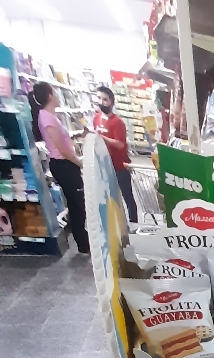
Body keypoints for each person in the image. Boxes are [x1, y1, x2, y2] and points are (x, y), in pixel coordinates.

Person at [28, 81, 89, 254]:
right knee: (78, 205)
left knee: (76, 204)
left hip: (64, 165)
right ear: (49, 96)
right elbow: (63, 150)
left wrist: (79, 134)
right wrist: (82, 164)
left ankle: (83, 241)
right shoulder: (47, 118)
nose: (57, 95)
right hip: (64, 166)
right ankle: (83, 243)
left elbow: (61, 139)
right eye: (54, 92)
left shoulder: (48, 116)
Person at [93, 85, 138, 223]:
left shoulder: (117, 122)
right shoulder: (96, 118)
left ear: (111, 102)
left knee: (127, 196)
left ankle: (133, 222)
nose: (101, 102)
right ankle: (115, 224)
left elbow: (120, 144)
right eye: (99, 98)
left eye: (105, 99)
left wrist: (101, 137)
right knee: (108, 196)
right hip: (103, 165)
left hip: (119, 166)